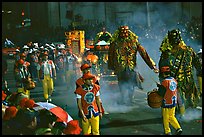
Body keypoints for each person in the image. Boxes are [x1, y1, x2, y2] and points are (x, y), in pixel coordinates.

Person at [108, 25, 159, 105]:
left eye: (126, 31)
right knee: (122, 84)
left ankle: (130, 99)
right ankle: (123, 98)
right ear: (119, 33)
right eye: (122, 32)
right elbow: (110, 55)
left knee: (132, 83)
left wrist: (152, 66)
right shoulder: (115, 43)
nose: (124, 33)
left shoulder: (134, 42)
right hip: (120, 68)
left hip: (131, 67)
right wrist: (111, 67)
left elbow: (144, 53)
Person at [158, 29, 202, 110]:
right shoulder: (189, 50)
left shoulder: (167, 54)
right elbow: (199, 67)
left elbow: (163, 73)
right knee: (188, 104)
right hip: (188, 83)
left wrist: (163, 87)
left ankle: (182, 116)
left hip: (178, 85)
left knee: (180, 106)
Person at [157, 66, 182, 135]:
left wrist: (158, 89)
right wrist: (160, 86)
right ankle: (178, 128)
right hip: (174, 101)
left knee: (166, 118)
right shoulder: (174, 80)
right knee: (172, 116)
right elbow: (170, 89)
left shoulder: (165, 81)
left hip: (166, 102)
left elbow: (161, 93)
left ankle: (167, 132)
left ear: (163, 74)